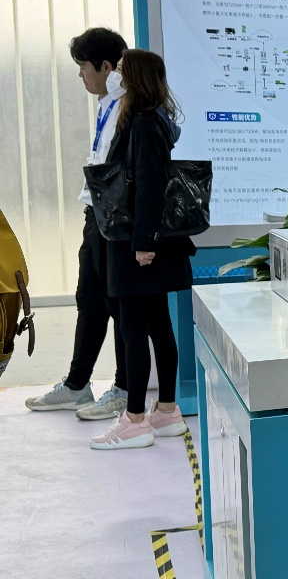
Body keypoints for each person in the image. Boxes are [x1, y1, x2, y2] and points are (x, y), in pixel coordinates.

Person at [89, 49, 194, 451]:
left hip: (138, 244)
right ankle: (165, 411)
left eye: (121, 71)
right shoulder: (154, 121)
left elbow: (149, 186)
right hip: (146, 242)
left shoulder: (144, 124)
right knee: (157, 324)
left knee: (134, 329)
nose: (115, 76)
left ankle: (134, 420)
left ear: (134, 78)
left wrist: (143, 243)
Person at [25, 28, 131, 420]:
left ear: (106, 67)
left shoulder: (128, 103)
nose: (80, 75)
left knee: (119, 304)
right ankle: (76, 385)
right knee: (88, 298)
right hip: (95, 213)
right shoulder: (106, 103)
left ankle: (125, 388)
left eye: (83, 67)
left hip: (116, 218)